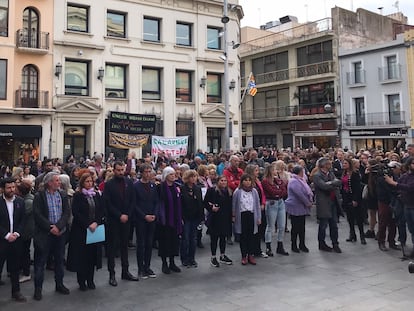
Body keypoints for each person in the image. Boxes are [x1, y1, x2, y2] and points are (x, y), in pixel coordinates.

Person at [33, 172, 71, 301]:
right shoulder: (39, 196)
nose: (59, 182)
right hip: (45, 234)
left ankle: (59, 284)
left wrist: (59, 227)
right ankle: (38, 289)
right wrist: (50, 227)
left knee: (59, 260)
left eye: (59, 180)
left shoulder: (63, 195)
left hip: (60, 233)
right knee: (40, 262)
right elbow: (37, 215)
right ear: (49, 182)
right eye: (56, 180)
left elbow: (66, 212)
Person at [66, 173, 105, 291]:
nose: (89, 184)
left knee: (93, 255)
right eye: (87, 182)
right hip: (81, 230)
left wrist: (96, 222)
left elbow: (101, 210)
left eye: (91, 181)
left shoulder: (96, 195)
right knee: (82, 256)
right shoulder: (78, 196)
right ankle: (81, 281)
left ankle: (90, 279)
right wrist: (88, 224)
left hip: (95, 229)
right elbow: (76, 213)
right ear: (82, 183)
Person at [103, 161, 138, 286]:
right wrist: (119, 215)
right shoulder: (109, 184)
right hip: (114, 220)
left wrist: (127, 214)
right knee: (112, 248)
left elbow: (132, 200)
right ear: (114, 170)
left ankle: (125, 271)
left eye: (122, 170)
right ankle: (112, 274)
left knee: (124, 246)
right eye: (118, 170)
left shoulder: (128, 182)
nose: (121, 172)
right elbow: (107, 203)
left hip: (126, 219)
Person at [0, 178, 27, 302]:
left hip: (16, 240)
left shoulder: (20, 202)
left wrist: (16, 234)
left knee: (15, 268)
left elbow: (23, 220)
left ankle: (16, 292)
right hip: (2, 240)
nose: (11, 190)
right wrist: (6, 235)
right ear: (2, 189)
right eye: (8, 188)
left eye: (13, 187)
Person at [133, 164, 159, 279]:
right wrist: (144, 216)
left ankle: (147, 266)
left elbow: (156, 201)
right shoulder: (136, 186)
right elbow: (134, 204)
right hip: (141, 219)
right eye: (146, 172)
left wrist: (154, 214)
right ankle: (140, 268)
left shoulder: (153, 185)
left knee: (149, 243)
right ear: (141, 173)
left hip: (152, 218)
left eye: (150, 171)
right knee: (141, 244)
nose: (148, 174)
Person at [385, 157, 414, 257]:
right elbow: (398, 185)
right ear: (409, 165)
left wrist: (394, 183)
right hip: (406, 205)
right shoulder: (406, 175)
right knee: (411, 228)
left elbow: (410, 187)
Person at [313, 158, 343, 253]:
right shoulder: (317, 175)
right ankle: (322, 243)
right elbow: (324, 186)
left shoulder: (330, 173)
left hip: (333, 202)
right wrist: (332, 184)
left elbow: (338, 182)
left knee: (334, 224)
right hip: (324, 203)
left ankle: (335, 243)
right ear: (324, 165)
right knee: (323, 225)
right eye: (329, 164)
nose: (330, 165)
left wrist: (330, 183)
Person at [204, 175, 233, 267]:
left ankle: (222, 255)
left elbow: (230, 205)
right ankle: (213, 257)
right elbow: (205, 202)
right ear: (217, 181)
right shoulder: (212, 190)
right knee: (214, 238)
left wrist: (232, 216)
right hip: (215, 218)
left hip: (225, 218)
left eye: (225, 181)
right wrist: (211, 208)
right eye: (221, 180)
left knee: (223, 238)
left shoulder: (228, 191)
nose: (223, 182)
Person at [158, 167, 183, 274]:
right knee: (164, 242)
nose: (173, 176)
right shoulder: (161, 188)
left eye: (174, 174)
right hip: (165, 218)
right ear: (166, 176)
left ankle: (172, 262)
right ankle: (164, 263)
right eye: (171, 174)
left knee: (174, 241)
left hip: (175, 218)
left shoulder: (176, 187)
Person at [232, 174, 261, 265]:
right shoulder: (238, 191)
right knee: (243, 236)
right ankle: (244, 255)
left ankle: (251, 255)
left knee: (252, 235)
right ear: (242, 181)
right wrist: (233, 216)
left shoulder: (254, 191)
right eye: (246, 180)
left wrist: (258, 217)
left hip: (252, 214)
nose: (248, 182)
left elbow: (257, 205)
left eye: (249, 180)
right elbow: (234, 204)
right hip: (242, 215)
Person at [261, 164, 289, 256]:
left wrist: (278, 193)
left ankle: (280, 245)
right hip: (272, 203)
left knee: (281, 226)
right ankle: (268, 247)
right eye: (274, 169)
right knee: (270, 226)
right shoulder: (265, 181)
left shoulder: (277, 180)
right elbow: (271, 192)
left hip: (280, 202)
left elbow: (284, 190)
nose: (276, 171)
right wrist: (278, 192)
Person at [285, 166, 313, 253]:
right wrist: (307, 202)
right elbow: (299, 194)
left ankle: (302, 244)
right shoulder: (294, 181)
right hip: (295, 206)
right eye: (302, 171)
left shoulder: (301, 180)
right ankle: (294, 245)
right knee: (295, 227)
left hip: (301, 207)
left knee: (302, 227)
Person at [180, 170, 203, 268]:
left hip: (195, 217)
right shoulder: (182, 188)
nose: (193, 178)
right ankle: (184, 259)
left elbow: (200, 203)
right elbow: (181, 204)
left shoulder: (197, 188)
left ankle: (192, 258)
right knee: (185, 239)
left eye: (195, 176)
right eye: (191, 177)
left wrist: (201, 217)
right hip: (186, 217)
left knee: (193, 238)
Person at [244, 164, 267, 258]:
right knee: (253, 230)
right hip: (253, 209)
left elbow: (262, 193)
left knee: (260, 228)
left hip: (261, 207)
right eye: (256, 171)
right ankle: (252, 250)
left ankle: (257, 249)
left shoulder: (258, 181)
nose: (258, 172)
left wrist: (263, 203)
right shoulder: (250, 182)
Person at [340, 158, 366, 245]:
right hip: (346, 197)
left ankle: (362, 236)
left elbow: (357, 188)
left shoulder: (355, 174)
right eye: (343, 164)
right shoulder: (343, 173)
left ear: (349, 164)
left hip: (354, 197)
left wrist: (355, 199)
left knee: (358, 218)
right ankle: (352, 235)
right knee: (350, 218)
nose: (344, 165)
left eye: (345, 163)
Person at [16, 181, 34, 284]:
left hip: (26, 231)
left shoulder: (28, 202)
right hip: (25, 230)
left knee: (24, 251)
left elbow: (20, 216)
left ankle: (26, 273)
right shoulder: (27, 199)